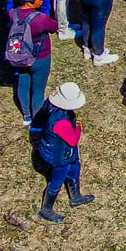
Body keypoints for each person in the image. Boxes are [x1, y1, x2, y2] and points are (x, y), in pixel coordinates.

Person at [31, 82, 92, 222]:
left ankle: (76, 196)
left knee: (75, 168)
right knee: (57, 180)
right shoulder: (61, 121)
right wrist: (78, 127)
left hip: (63, 151)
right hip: (60, 155)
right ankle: (46, 210)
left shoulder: (51, 107)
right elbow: (72, 139)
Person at [6, 0, 58, 121]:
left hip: (20, 56)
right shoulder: (40, 18)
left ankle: (26, 115)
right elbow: (55, 27)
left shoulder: (12, 13)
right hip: (40, 58)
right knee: (38, 90)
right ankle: (37, 119)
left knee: (23, 83)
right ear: (30, 2)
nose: (42, 1)